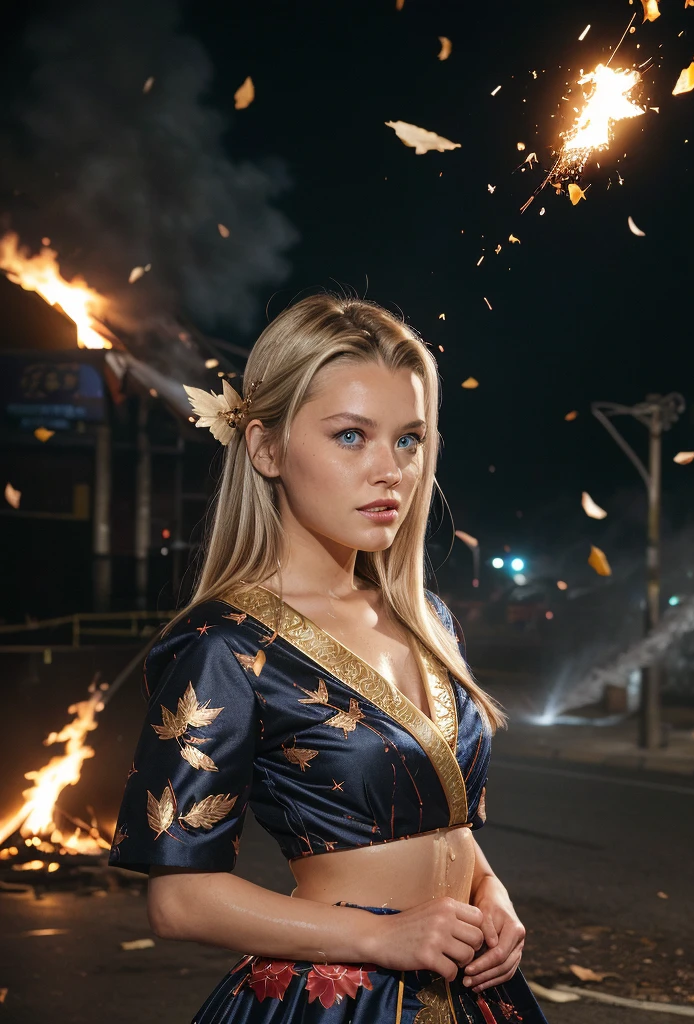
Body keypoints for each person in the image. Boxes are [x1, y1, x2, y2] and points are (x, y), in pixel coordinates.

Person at [108, 295, 549, 1023]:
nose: (392, 472)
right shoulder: (227, 645)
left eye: (409, 440)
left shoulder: (428, 620)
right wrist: (383, 937)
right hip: (340, 999)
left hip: (472, 986)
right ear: (266, 448)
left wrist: (488, 893)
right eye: (351, 436)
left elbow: (444, 822)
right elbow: (180, 899)